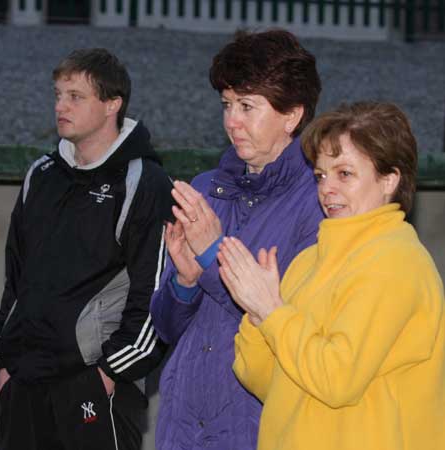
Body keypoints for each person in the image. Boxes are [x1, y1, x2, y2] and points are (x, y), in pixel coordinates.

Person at [218, 101, 445, 450]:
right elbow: (267, 381)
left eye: (345, 174)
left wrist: (274, 312)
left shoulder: (395, 262)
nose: (327, 188)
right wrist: (258, 313)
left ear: (389, 180)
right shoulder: (310, 260)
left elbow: (336, 378)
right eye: (321, 175)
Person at [150, 29, 324, 450]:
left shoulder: (320, 203)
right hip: (182, 422)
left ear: (292, 115)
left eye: (247, 106)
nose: (232, 121)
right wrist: (184, 283)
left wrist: (212, 253)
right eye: (227, 105)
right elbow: (165, 327)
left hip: (256, 425)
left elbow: (282, 320)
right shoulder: (206, 188)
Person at [0, 48, 173, 450]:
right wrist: (3, 362)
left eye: (76, 96)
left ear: (112, 104)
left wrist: (108, 374)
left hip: (92, 386)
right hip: (22, 381)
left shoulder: (146, 183)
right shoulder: (40, 175)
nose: (61, 106)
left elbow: (154, 298)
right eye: (58, 95)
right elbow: (16, 280)